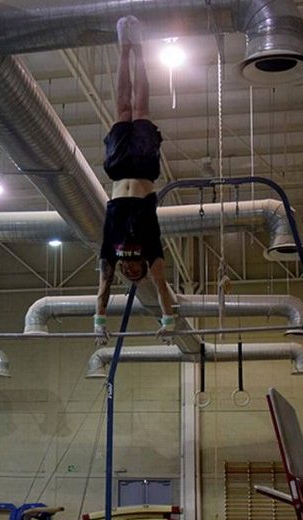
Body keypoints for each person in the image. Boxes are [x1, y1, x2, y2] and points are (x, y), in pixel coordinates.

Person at [94, 15, 175, 346]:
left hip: (116, 171)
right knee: (140, 107)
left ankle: (123, 48)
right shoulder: (152, 254)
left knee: (120, 108)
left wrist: (98, 322)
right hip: (141, 170)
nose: (128, 272)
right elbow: (161, 287)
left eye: (127, 275)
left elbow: (101, 291)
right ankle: (137, 48)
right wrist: (169, 320)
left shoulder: (111, 257)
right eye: (133, 272)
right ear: (141, 266)